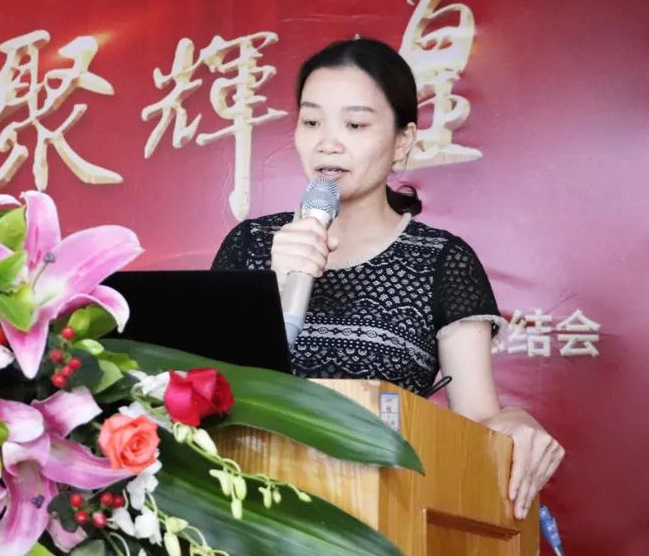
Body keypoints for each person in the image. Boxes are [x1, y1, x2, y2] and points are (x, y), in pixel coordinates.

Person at [211, 38, 564, 520]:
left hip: (383, 517)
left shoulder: (441, 260)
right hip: (247, 512)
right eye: (311, 122)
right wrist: (273, 284)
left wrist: (515, 421)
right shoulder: (251, 244)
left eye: (355, 125)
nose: (327, 143)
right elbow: (205, 393)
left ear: (402, 141)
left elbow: (479, 422)